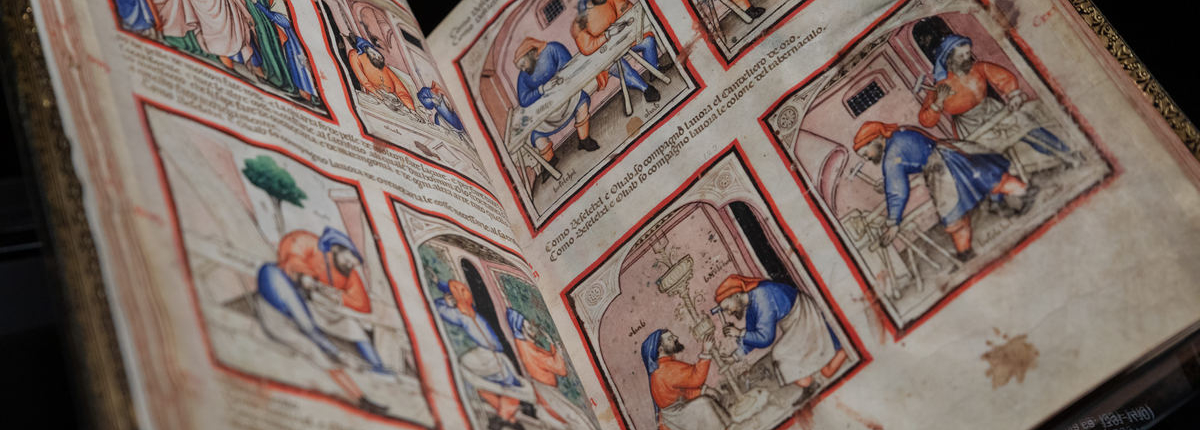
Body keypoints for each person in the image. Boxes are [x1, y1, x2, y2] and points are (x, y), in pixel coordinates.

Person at [255, 227, 391, 414]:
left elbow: (360, 302)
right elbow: (308, 327)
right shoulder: (280, 275)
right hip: (277, 317)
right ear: (336, 248)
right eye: (351, 256)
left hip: (301, 305)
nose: (353, 263)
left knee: (344, 330)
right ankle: (361, 398)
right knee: (316, 351)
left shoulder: (334, 273)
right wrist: (338, 354)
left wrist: (333, 295)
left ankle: (367, 387)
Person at [854, 121, 1034, 261]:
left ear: (874, 140)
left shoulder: (892, 155)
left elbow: (897, 189)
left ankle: (965, 252)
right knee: (988, 176)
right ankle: (1023, 193)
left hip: (940, 167)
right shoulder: (899, 134)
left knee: (952, 211)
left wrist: (893, 223)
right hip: (950, 151)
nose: (867, 158)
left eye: (865, 153)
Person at [918, 34, 1073, 162]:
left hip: (992, 109)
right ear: (949, 59)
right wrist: (938, 102)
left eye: (968, 53)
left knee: (1028, 126)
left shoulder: (978, 68)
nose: (966, 58)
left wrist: (1014, 95)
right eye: (961, 56)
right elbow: (925, 120)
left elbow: (1004, 77)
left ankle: (1069, 155)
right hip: (969, 126)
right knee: (988, 159)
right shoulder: (939, 87)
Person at [715, 275, 848, 390]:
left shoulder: (762, 296)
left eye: (727, 307)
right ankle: (813, 382)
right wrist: (734, 357)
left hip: (802, 316)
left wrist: (739, 333)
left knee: (780, 354)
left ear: (737, 295)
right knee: (821, 368)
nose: (729, 312)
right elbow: (751, 336)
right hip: (794, 324)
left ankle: (844, 352)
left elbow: (766, 338)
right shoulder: (751, 303)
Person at [434, 279, 531, 430]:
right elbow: (439, 308)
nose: (464, 295)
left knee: (508, 386)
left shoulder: (470, 312)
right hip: (487, 356)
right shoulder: (459, 314)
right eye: (459, 293)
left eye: (462, 292)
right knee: (507, 387)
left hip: (494, 356)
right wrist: (444, 300)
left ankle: (505, 415)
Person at [514, 37, 600, 171]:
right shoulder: (524, 76)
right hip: (546, 113)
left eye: (523, 64)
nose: (523, 69)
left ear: (530, 53)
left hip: (567, 97)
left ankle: (584, 140)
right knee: (536, 134)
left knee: (581, 103)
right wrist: (541, 89)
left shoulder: (553, 48)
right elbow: (524, 99)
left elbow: (568, 67)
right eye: (521, 67)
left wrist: (556, 83)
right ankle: (551, 161)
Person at [507, 308, 597, 430]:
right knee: (576, 419)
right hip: (546, 392)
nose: (532, 332)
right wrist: (556, 348)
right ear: (521, 329)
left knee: (574, 419)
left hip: (543, 390)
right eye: (528, 328)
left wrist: (553, 348)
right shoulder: (527, 348)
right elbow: (560, 369)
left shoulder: (524, 345)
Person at [571, 0, 671, 103]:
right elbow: (587, 47)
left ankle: (654, 68)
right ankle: (645, 89)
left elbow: (627, 10)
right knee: (620, 68)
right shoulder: (579, 23)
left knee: (647, 41)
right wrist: (607, 35)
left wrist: (622, 23)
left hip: (624, 42)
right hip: (606, 56)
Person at [641, 329, 729, 430]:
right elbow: (696, 378)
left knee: (707, 401)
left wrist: (703, 391)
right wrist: (706, 352)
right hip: (677, 418)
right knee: (704, 404)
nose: (676, 338)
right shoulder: (666, 369)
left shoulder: (663, 367)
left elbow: (680, 392)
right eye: (670, 338)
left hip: (674, 414)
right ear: (660, 349)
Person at [252, 0, 319, 105]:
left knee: (299, 66)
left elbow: (284, 21)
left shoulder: (282, 4)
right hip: (289, 41)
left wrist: (258, 5)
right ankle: (305, 93)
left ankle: (308, 93)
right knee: (295, 66)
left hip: (293, 42)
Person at [347, 37, 418, 114]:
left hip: (396, 102)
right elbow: (364, 81)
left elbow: (401, 91)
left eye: (376, 53)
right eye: (373, 54)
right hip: (377, 99)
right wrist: (382, 98)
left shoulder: (385, 68)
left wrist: (411, 109)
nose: (377, 56)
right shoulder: (355, 55)